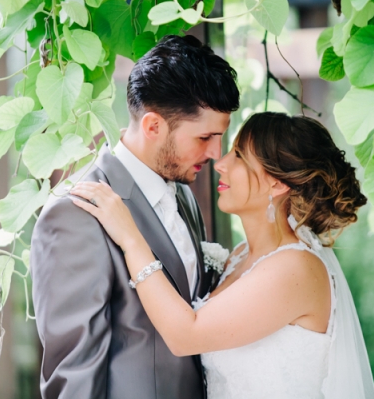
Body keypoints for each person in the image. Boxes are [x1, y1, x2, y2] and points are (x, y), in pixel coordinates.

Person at [71, 112, 374, 398]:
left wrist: (130, 238)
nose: (221, 163)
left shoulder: (296, 268)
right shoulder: (242, 255)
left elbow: (185, 335)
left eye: (240, 156)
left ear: (277, 182)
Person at [30, 34, 240, 398]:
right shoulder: (75, 214)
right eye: (205, 137)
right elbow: (73, 372)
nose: (216, 153)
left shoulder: (185, 196)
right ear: (153, 126)